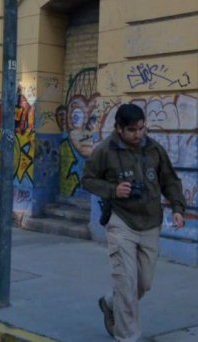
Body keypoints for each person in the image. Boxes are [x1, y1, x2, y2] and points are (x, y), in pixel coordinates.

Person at [81, 103, 187, 342]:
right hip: (121, 222)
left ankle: (110, 303)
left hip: (151, 222)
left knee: (143, 283)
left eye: (141, 128)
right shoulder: (105, 151)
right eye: (132, 130)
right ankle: (127, 336)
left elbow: (169, 179)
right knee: (126, 283)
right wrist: (112, 189)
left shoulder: (153, 149)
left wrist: (178, 208)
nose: (138, 134)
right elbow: (87, 179)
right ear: (119, 128)